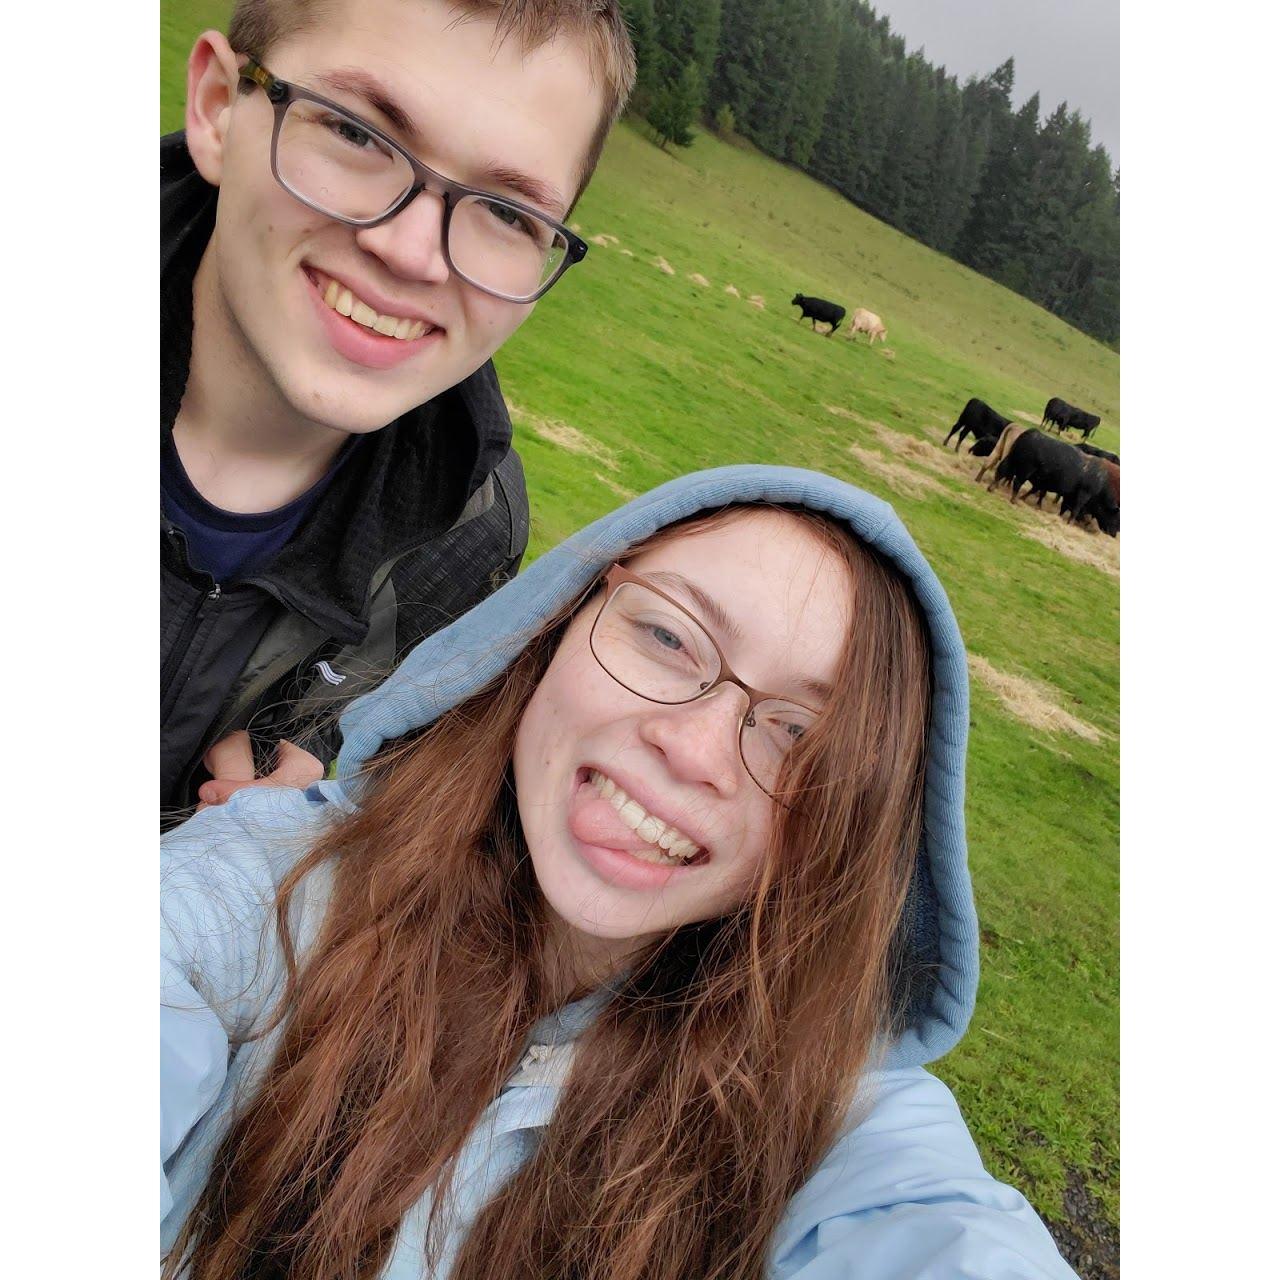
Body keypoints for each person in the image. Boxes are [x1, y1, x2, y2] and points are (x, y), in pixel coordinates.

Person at [161, 465, 1078, 1278]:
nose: (694, 750)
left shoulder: (833, 1124)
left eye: (805, 739)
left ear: (848, 829)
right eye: (670, 638)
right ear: (555, 625)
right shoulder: (258, 889)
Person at [161, 0, 635, 816]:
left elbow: (353, 744)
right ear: (216, 109)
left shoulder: (469, 532)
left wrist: (279, 843)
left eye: (507, 212)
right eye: (356, 133)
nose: (412, 252)